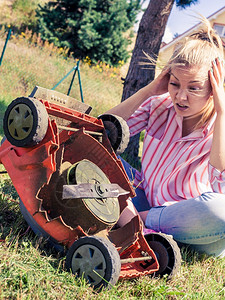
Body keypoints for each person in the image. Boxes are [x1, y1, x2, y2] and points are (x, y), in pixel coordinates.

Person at [106, 17, 225, 257]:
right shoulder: (158, 105)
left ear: (213, 89)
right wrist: (149, 90)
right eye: (175, 84)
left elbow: (220, 184)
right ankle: (139, 227)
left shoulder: (220, 124)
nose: (181, 97)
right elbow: (102, 131)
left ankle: (132, 223)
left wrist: (222, 112)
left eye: (193, 87)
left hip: (186, 221)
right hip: (144, 198)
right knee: (95, 156)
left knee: (221, 210)